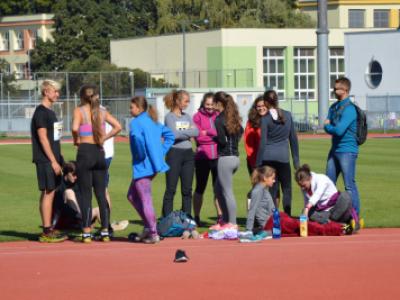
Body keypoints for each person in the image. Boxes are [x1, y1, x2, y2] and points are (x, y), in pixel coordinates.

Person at [71, 84, 121, 243]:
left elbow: (73, 128)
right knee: (101, 193)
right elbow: (118, 126)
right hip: (100, 152)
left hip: (85, 151)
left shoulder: (79, 110)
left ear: (81, 97)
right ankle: (105, 230)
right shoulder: (101, 111)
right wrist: (104, 138)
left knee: (86, 194)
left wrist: (76, 139)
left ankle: (86, 232)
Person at [128, 96, 175, 243]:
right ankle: (149, 227)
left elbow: (137, 139)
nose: (130, 110)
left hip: (143, 167)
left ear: (139, 108)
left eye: (132, 107)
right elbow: (170, 135)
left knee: (145, 200)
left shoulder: (136, 123)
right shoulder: (152, 121)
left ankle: (153, 233)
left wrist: (141, 155)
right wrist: (161, 152)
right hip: (152, 166)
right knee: (131, 196)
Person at [31, 79, 67, 243]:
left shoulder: (51, 112)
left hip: (53, 158)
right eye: (55, 91)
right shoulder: (41, 113)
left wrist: (61, 160)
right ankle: (46, 231)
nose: (57, 94)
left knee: (49, 192)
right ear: (46, 92)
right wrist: (53, 161)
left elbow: (55, 139)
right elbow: (43, 139)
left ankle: (48, 227)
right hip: (45, 159)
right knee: (49, 192)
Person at [256, 90, 300, 216]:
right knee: (287, 189)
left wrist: (258, 164)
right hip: (283, 158)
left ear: (265, 102)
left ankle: (273, 217)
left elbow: (263, 142)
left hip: (268, 158)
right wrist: (296, 161)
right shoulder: (288, 115)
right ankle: (287, 215)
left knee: (272, 190)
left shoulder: (265, 119)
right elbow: (293, 139)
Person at [324, 77, 361, 217]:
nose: (334, 90)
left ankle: (355, 216)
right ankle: (330, 213)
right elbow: (333, 128)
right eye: (334, 88)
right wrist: (329, 127)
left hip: (347, 151)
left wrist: (328, 126)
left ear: (345, 90)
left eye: (337, 88)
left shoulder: (350, 109)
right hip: (334, 150)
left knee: (349, 185)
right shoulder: (333, 107)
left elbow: (338, 130)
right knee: (329, 183)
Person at [162, 90, 199, 217]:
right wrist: (188, 131)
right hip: (174, 154)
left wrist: (183, 132)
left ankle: (187, 219)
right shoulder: (169, 117)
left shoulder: (187, 117)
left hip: (188, 154)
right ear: (178, 101)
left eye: (188, 101)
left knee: (187, 190)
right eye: (186, 101)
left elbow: (196, 132)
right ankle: (166, 218)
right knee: (171, 189)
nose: (187, 104)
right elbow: (173, 135)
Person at [210, 92, 243, 230]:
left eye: (214, 103)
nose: (212, 105)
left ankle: (232, 222)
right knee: (218, 189)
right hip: (235, 158)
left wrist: (213, 138)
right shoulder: (233, 118)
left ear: (219, 103)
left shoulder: (218, 119)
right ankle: (225, 220)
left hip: (225, 158)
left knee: (226, 191)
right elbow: (241, 131)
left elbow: (222, 141)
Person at [192, 92, 222, 226]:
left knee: (218, 189)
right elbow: (198, 136)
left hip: (218, 157)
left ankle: (220, 216)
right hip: (202, 157)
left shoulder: (219, 116)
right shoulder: (196, 117)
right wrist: (212, 135)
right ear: (203, 104)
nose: (210, 107)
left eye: (212, 104)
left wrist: (207, 132)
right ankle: (196, 216)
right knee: (200, 188)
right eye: (207, 104)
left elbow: (221, 135)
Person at [244, 96, 268, 209]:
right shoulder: (251, 122)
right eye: (259, 106)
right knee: (256, 189)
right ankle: (252, 216)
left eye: (263, 105)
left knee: (270, 190)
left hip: (269, 160)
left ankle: (270, 217)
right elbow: (249, 146)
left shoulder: (272, 118)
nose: (261, 108)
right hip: (255, 162)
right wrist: (256, 165)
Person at [243, 166, 276, 237]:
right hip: (268, 225)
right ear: (265, 178)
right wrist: (248, 230)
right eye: (272, 178)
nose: (274, 181)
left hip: (273, 223)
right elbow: (251, 210)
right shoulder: (257, 191)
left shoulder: (264, 189)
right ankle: (261, 232)